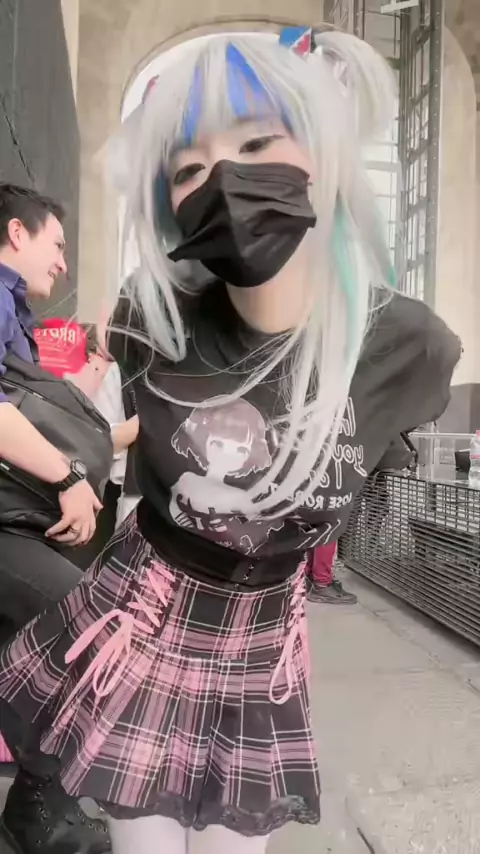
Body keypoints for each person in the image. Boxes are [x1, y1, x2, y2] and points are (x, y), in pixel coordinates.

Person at [0, 32, 461, 854]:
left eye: (253, 144)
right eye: (187, 170)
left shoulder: (406, 348)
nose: (222, 181)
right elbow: (133, 436)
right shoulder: (151, 318)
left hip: (263, 633)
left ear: (318, 151)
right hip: (147, 612)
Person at [0, 184, 109, 852]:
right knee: (82, 619)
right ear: (17, 232)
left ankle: (40, 797)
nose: (64, 262)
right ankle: (39, 801)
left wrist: (95, 376)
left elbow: (41, 415)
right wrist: (68, 477)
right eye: (57, 244)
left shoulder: (14, 312)